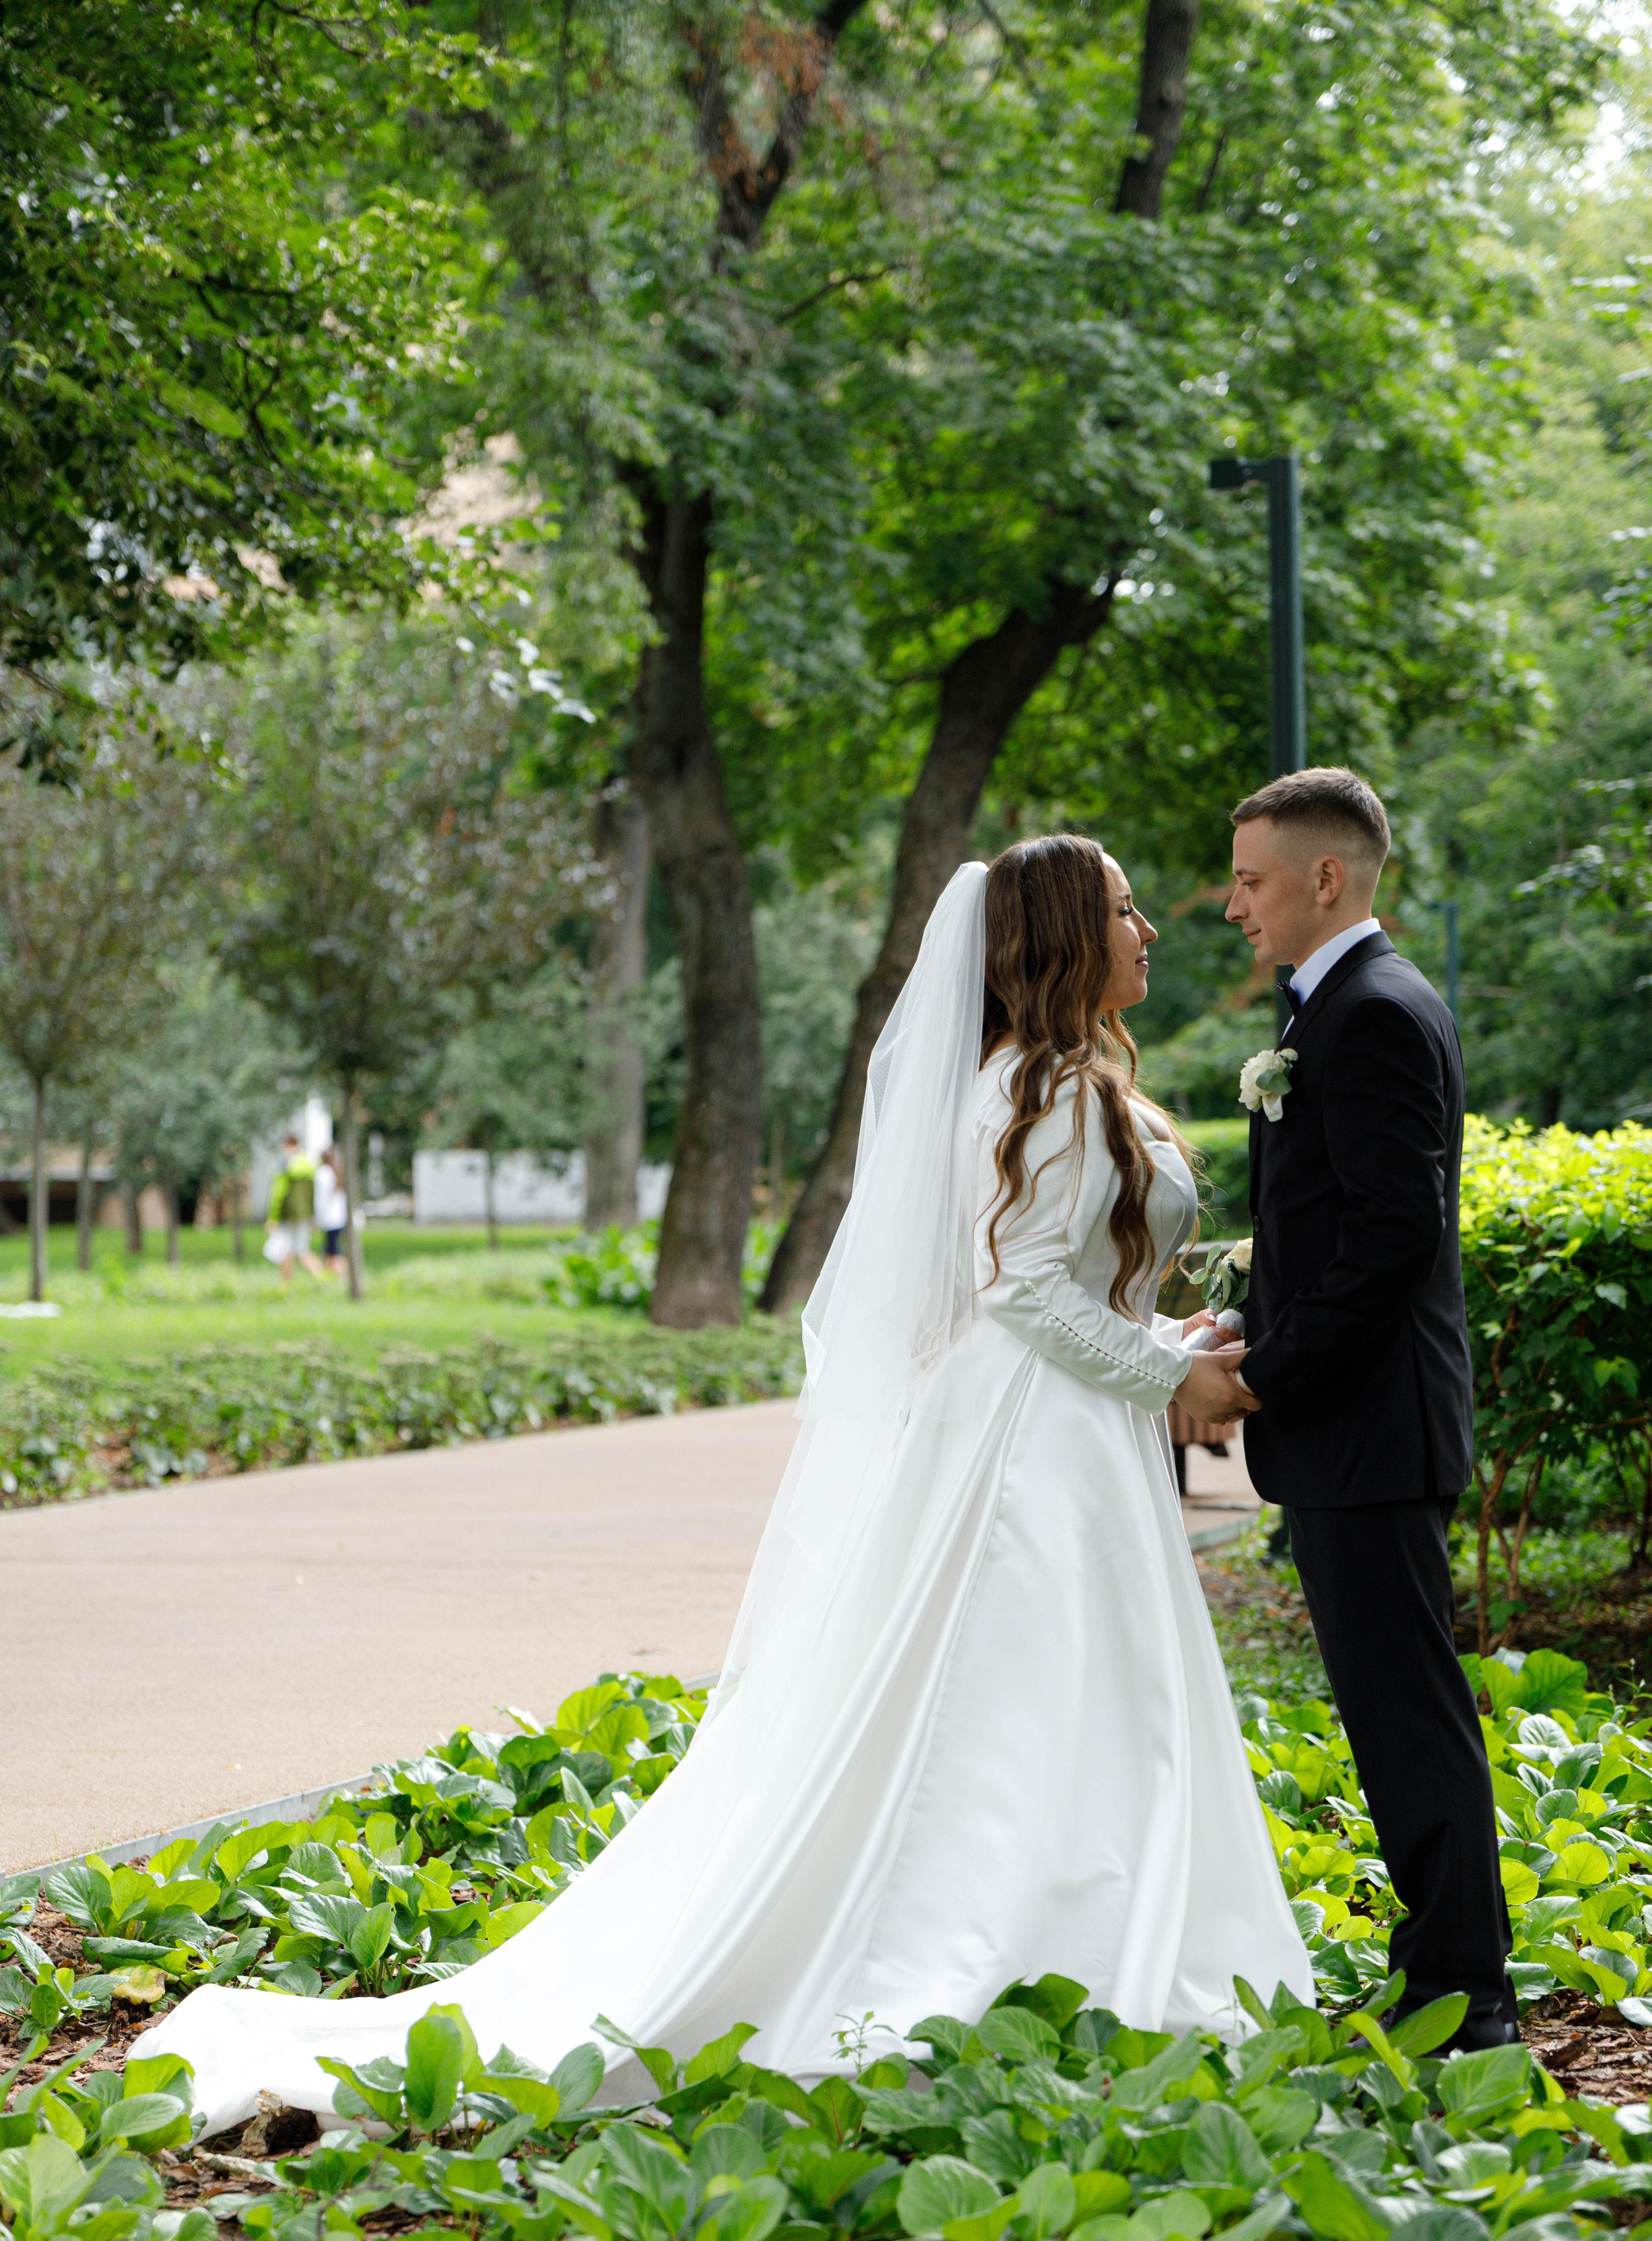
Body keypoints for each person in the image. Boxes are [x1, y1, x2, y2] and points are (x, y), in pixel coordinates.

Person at [135, 837, 1313, 2135]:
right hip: (1035, 1449)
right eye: (1124, 911)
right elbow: (1023, 1290)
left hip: (1038, 1425)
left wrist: (1160, 1345)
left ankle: (1065, 1938)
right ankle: (1042, 1948)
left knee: (1041, 1694)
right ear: (1061, 942)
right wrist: (1171, 1383)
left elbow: (1055, 1288)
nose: (1151, 928)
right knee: (1036, 1690)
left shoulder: (1027, 1081)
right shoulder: (1051, 1091)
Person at [1203, 765, 1513, 2052]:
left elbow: (1390, 1245)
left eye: (1252, 879)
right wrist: (1243, 1325)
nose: (1234, 906)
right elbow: (1331, 1231)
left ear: (1325, 878)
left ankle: (1468, 1997)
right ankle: (1441, 1967)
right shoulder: (1336, 1012)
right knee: (1393, 1713)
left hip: (1371, 1434)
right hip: (1355, 1434)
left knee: (1408, 1715)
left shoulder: (1373, 1013)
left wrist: (1261, 1376)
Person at [262, 1134, 322, 1288]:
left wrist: (273, 1218)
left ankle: (287, 1285)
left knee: (288, 1251)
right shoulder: (309, 1165)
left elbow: (278, 1195)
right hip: (303, 1215)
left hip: (288, 1216)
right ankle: (322, 1279)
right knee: (297, 1250)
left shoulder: (285, 1167)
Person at [315, 1146, 349, 1282]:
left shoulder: (322, 1174)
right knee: (330, 1250)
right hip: (339, 1218)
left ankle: (342, 1276)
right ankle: (330, 1277)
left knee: (333, 1251)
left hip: (329, 1218)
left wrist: (317, 1217)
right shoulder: (336, 1173)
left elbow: (321, 1199)